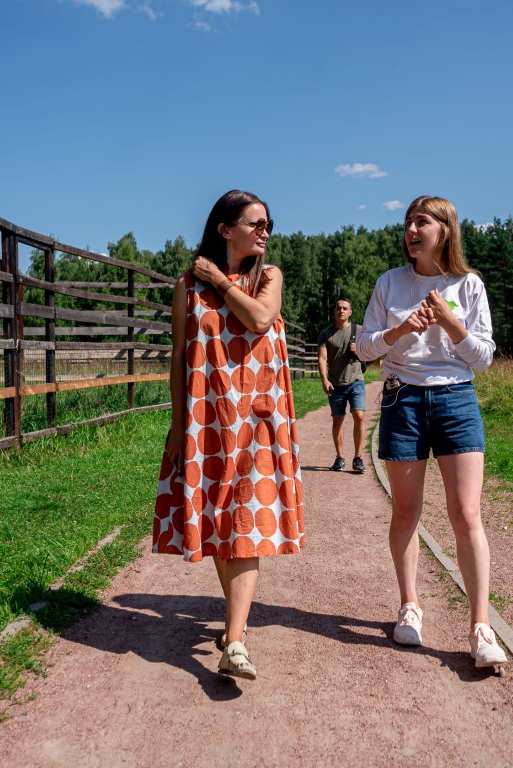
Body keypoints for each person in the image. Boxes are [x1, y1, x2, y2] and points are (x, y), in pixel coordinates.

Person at [153, 189, 305, 681]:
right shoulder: (186, 288)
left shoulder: (269, 277)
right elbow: (179, 357)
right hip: (208, 420)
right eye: (256, 223)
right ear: (225, 229)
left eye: (269, 224)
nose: (265, 231)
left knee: (247, 523)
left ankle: (234, 641)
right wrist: (178, 425)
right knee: (219, 520)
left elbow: (260, 319)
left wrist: (219, 280)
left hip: (259, 418)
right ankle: (235, 625)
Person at [356, 195, 508, 671]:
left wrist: (449, 321)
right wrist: (400, 331)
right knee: (406, 509)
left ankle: (480, 627)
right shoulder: (390, 283)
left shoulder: (469, 284)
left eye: (422, 221)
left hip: (456, 400)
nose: (411, 229)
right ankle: (410, 606)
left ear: (445, 229)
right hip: (402, 399)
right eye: (408, 222)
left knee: (466, 513)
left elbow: (483, 357)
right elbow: (363, 349)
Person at [317, 297, 367, 473]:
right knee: (338, 419)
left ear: (350, 312)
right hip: (335, 383)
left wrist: (359, 351)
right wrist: (324, 379)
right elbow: (322, 358)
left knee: (359, 415)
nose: (341, 311)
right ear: (334, 311)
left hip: (356, 381)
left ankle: (358, 457)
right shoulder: (326, 334)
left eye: (345, 308)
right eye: (338, 308)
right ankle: (340, 457)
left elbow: (370, 355)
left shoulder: (359, 331)